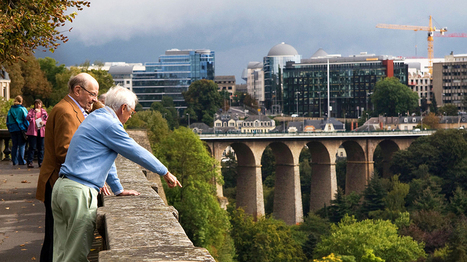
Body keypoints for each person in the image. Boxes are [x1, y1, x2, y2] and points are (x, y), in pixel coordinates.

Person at [51, 86, 181, 261]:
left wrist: (117, 189)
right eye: (132, 112)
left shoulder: (96, 117)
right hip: (78, 193)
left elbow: (107, 159)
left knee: (60, 253)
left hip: (62, 188)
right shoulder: (110, 124)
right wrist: (165, 172)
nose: (130, 117)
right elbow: (136, 151)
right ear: (124, 108)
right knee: (76, 255)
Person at [36, 73, 99, 262]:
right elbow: (65, 153)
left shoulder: (72, 108)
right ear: (77, 90)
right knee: (56, 240)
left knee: (56, 238)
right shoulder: (66, 112)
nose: (95, 100)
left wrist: (96, 103)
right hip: (57, 182)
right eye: (93, 95)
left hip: (56, 181)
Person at [6, 95, 28, 165]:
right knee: (21, 145)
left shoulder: (10, 110)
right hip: (21, 129)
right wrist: (27, 128)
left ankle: (14, 161)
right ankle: (21, 161)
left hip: (13, 129)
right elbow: (26, 120)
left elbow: (7, 121)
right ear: (21, 101)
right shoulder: (22, 109)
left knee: (14, 145)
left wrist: (10, 128)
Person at [26, 99, 48, 168]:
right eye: (36, 104)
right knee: (32, 147)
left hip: (41, 131)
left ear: (41, 105)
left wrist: (43, 123)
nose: (38, 105)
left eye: (39, 104)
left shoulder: (43, 111)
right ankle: (30, 162)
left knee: (41, 148)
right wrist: (34, 114)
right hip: (33, 132)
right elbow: (27, 118)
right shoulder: (31, 111)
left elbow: (47, 120)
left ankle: (41, 162)